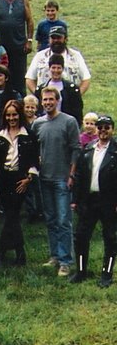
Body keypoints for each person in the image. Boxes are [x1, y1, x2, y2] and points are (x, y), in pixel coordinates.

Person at [33, 87, 81, 277]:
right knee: (51, 219)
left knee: (63, 221)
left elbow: (76, 149)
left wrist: (71, 175)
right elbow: (34, 148)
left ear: (57, 100)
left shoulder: (69, 121)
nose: (47, 103)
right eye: (45, 100)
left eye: (51, 99)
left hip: (62, 179)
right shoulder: (38, 123)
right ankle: (55, 255)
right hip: (44, 178)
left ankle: (65, 261)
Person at [69, 115, 117, 287]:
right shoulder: (88, 148)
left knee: (110, 238)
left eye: (107, 127)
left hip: (109, 201)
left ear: (112, 130)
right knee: (81, 236)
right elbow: (80, 176)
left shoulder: (115, 151)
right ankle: (81, 271)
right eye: (100, 127)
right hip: (88, 200)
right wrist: (75, 200)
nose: (103, 131)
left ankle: (107, 274)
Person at [0, 99, 39, 267]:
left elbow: (34, 159)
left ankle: (1, 253)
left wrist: (28, 179)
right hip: (3, 179)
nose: (12, 118)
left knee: (12, 214)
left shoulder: (29, 135)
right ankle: (19, 253)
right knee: (12, 217)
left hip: (20, 179)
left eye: (15, 115)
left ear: (20, 115)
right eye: (8, 115)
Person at [25, 24, 91, 96]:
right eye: (53, 38)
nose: (56, 40)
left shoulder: (75, 56)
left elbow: (86, 79)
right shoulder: (40, 56)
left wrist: (76, 96)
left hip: (68, 99)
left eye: (59, 38)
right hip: (46, 101)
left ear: (65, 39)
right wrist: (39, 96)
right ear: (49, 40)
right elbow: (30, 79)